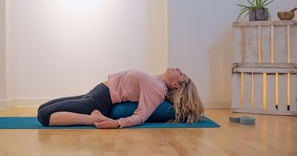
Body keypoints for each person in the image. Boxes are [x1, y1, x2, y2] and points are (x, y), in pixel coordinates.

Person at [37, 68, 204, 129]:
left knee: (44, 116)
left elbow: (141, 115)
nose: (178, 69)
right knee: (42, 108)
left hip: (100, 101)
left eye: (181, 74)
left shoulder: (157, 89)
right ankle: (91, 116)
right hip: (97, 92)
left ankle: (91, 119)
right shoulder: (156, 81)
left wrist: (116, 123)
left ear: (175, 84)